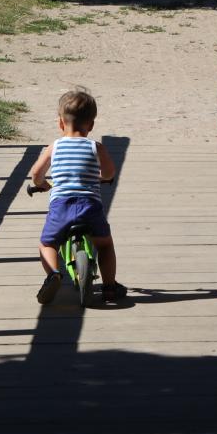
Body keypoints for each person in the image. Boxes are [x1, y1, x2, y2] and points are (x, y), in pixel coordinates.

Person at [28, 87, 126, 306]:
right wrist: (101, 177)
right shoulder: (96, 147)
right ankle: (109, 287)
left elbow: (36, 174)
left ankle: (53, 274)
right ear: (91, 125)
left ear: (60, 123)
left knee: (47, 244)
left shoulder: (54, 147)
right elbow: (109, 173)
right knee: (105, 245)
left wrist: (42, 184)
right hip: (89, 206)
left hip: (61, 206)